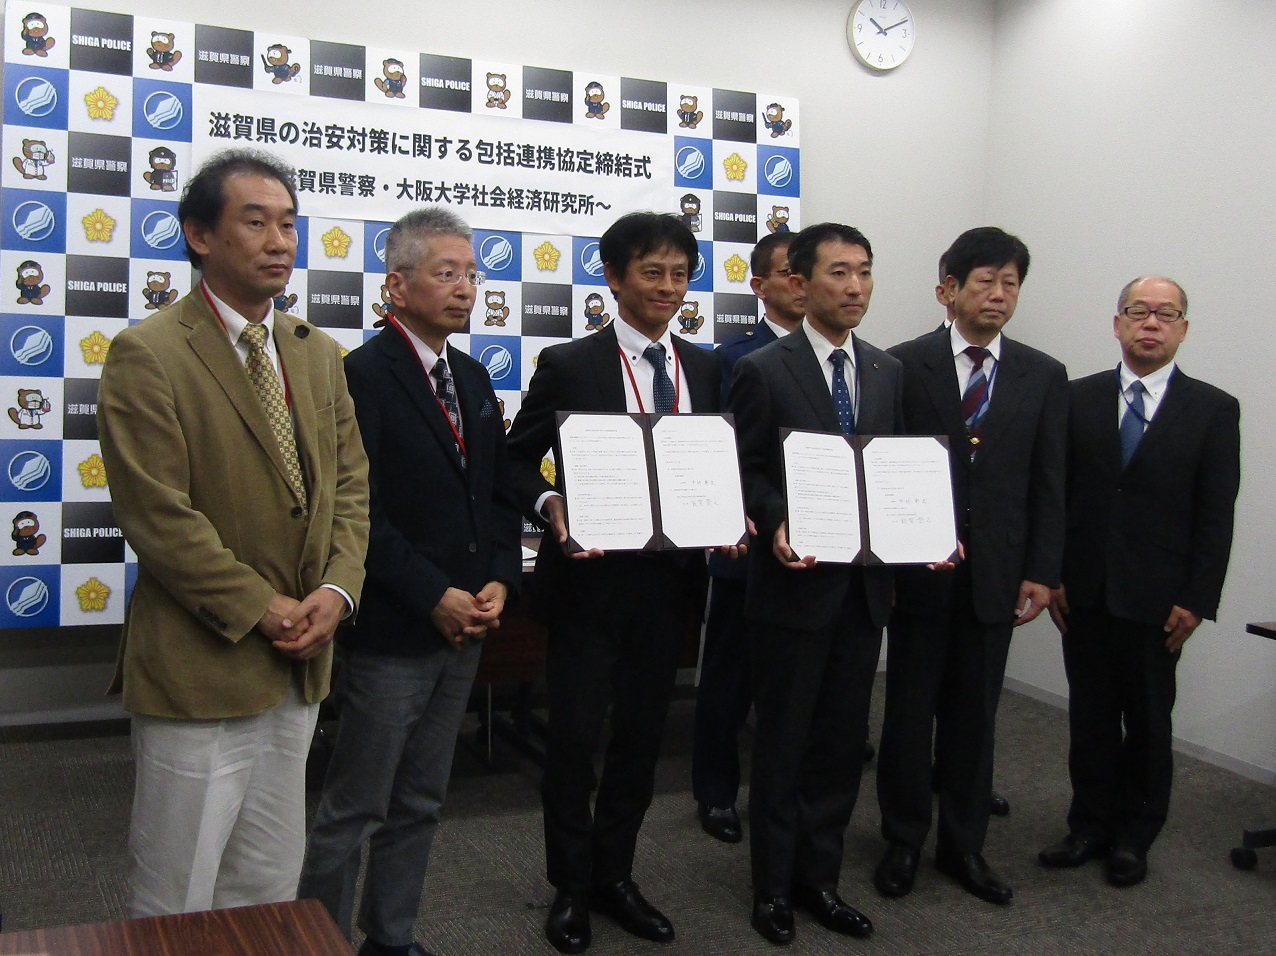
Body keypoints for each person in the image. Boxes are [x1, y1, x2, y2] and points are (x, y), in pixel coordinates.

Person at [96, 148, 370, 917]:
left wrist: (336, 591)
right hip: (201, 664)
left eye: (288, 224)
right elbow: (158, 517)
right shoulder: (148, 353)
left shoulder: (317, 354)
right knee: (176, 889)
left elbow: (351, 488)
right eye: (255, 223)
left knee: (268, 881)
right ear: (199, 235)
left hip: (301, 663)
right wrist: (263, 608)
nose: (279, 242)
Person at [298, 209, 522, 956]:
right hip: (397, 628)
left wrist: (498, 578)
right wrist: (433, 595)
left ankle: (391, 937)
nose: (465, 289)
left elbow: (494, 494)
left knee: (422, 798)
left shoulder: (473, 376)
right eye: (446, 273)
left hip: (466, 625)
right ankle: (321, 941)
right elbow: (360, 514)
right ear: (396, 285)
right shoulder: (361, 376)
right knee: (354, 806)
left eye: (472, 275)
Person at [506, 212, 725, 954]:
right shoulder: (572, 364)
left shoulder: (706, 368)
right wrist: (549, 503)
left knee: (640, 740)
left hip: (668, 590)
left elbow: (714, 464)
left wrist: (726, 512)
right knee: (572, 744)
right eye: (652, 271)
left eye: (680, 273)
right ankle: (570, 885)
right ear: (614, 277)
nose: (668, 287)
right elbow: (514, 461)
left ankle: (616, 876)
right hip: (589, 589)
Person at [874, 227, 1066, 905]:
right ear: (948, 290)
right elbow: (883, 471)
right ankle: (902, 838)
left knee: (975, 716)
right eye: (985, 280)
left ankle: (964, 845)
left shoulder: (1044, 374)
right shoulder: (902, 365)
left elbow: (1049, 482)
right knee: (908, 712)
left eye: (1011, 282)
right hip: (919, 574)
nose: (999, 294)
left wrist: (1042, 570)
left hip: (998, 576)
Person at [1039, 276, 1240, 888]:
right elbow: (1055, 496)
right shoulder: (1076, 398)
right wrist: (1053, 574)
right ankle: (1089, 824)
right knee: (1091, 715)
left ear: (1183, 329)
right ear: (1118, 323)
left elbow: (1216, 514)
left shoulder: (1213, 409)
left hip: (1161, 599)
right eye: (1139, 311)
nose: (1151, 323)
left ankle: (1135, 834)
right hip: (1085, 591)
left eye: (1166, 314)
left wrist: (1198, 599)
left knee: (1150, 721)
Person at [731, 223, 901, 945]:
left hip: (863, 591)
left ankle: (820, 880)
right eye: (839, 272)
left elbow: (894, 470)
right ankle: (773, 888)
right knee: (784, 744)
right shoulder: (764, 369)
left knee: (840, 744)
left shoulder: (888, 371)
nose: (855, 286)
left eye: (864, 271)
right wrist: (773, 520)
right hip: (792, 588)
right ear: (800, 284)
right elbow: (743, 468)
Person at [692, 231, 803, 844]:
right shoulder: (732, 358)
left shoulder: (844, 360)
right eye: (788, 272)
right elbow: (719, 451)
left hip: (820, 548)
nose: (801, 283)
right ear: (759, 286)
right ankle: (715, 793)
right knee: (728, 680)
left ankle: (787, 793)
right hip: (747, 547)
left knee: (798, 689)